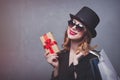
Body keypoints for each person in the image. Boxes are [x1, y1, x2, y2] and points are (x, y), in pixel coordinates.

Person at [45, 6, 102, 80]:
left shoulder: (93, 59)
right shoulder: (61, 55)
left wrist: (76, 64)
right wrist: (56, 68)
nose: (74, 27)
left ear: (86, 34)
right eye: (72, 23)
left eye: (80, 26)